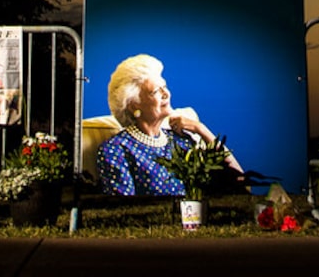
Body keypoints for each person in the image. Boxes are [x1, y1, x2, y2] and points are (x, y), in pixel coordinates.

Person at [96, 54, 240, 196]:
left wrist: (201, 129)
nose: (166, 94)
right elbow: (123, 210)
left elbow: (240, 181)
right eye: (156, 91)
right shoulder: (116, 150)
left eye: (164, 87)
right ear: (134, 106)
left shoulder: (181, 141)